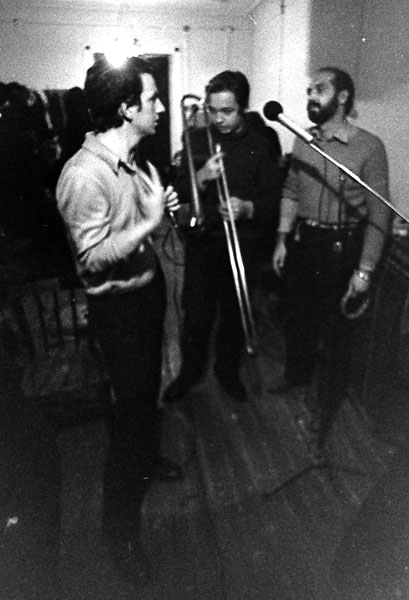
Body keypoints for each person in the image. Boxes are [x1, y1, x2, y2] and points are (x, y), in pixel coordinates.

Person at [56, 56, 182, 585]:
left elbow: (128, 228)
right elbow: (91, 259)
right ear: (128, 108)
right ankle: (120, 534)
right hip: (120, 312)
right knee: (128, 422)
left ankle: (149, 461)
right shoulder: (83, 174)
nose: (160, 107)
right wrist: (148, 224)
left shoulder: (132, 160)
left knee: (147, 397)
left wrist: (157, 211)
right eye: (151, 99)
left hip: (146, 293)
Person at [271, 66, 391, 453]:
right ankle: (297, 375)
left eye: (319, 90)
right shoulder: (302, 140)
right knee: (298, 317)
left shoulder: (369, 147)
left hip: (344, 246)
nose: (311, 96)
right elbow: (291, 191)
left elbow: (380, 214)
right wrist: (282, 239)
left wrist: (365, 270)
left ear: (342, 98)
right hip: (306, 241)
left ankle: (324, 408)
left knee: (337, 333)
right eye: (309, 90)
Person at [164, 70, 280, 403]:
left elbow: (273, 202)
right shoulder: (196, 139)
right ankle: (190, 372)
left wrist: (247, 208)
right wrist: (201, 176)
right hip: (203, 241)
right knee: (196, 314)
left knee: (233, 314)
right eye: (212, 110)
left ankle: (227, 371)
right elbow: (179, 190)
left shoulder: (260, 145)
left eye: (227, 111)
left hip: (242, 243)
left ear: (243, 108)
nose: (218, 119)